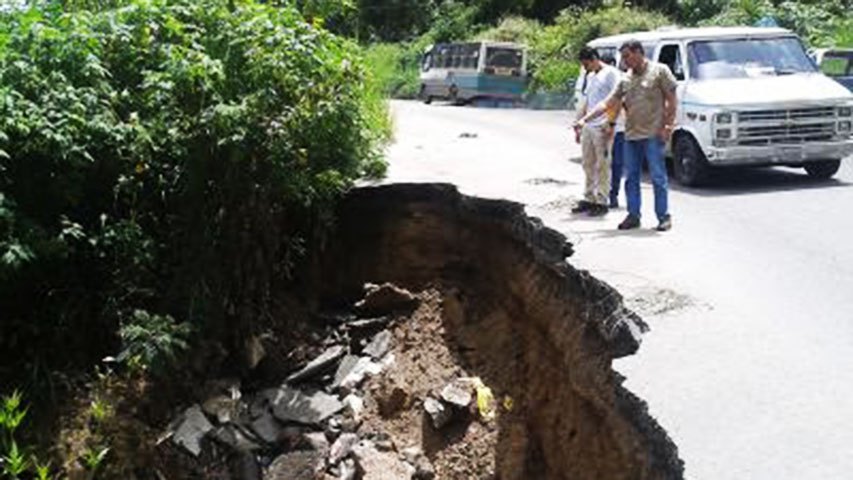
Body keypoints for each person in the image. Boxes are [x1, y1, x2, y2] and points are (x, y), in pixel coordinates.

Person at [574, 40, 678, 231]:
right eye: (623, 57)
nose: (624, 61)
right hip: (632, 135)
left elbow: (672, 99)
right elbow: (607, 103)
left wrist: (668, 126)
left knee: (658, 177)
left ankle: (663, 216)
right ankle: (633, 215)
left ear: (639, 53)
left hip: (653, 134)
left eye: (627, 56)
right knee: (631, 177)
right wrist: (584, 119)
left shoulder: (660, 71)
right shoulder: (625, 79)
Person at [571, 47, 620, 217]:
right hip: (588, 127)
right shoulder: (591, 76)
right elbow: (587, 102)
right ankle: (589, 197)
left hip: (602, 126)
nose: (585, 68)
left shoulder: (611, 74)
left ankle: (602, 200)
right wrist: (578, 123)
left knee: (602, 165)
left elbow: (616, 99)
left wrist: (610, 123)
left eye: (586, 64)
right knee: (587, 164)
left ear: (594, 59)